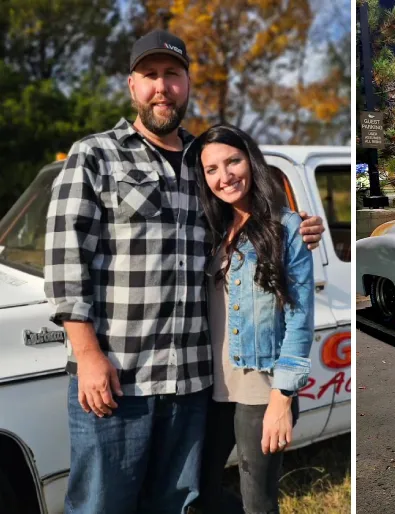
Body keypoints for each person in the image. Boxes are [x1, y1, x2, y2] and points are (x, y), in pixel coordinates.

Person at [43, 30, 324, 514]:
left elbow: (245, 219)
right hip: (117, 380)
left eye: (172, 75)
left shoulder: (203, 162)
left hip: (192, 385)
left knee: (177, 504)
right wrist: (87, 355)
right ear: (132, 86)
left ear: (187, 83)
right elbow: (66, 262)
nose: (162, 87)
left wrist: (295, 227)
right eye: (149, 76)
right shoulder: (95, 155)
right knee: (100, 505)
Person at [191, 124, 312, 514]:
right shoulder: (213, 230)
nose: (224, 176)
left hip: (261, 391)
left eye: (232, 161)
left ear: (251, 161)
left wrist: (281, 398)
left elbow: (300, 318)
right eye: (211, 169)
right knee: (199, 491)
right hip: (214, 390)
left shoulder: (286, 227)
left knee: (258, 503)